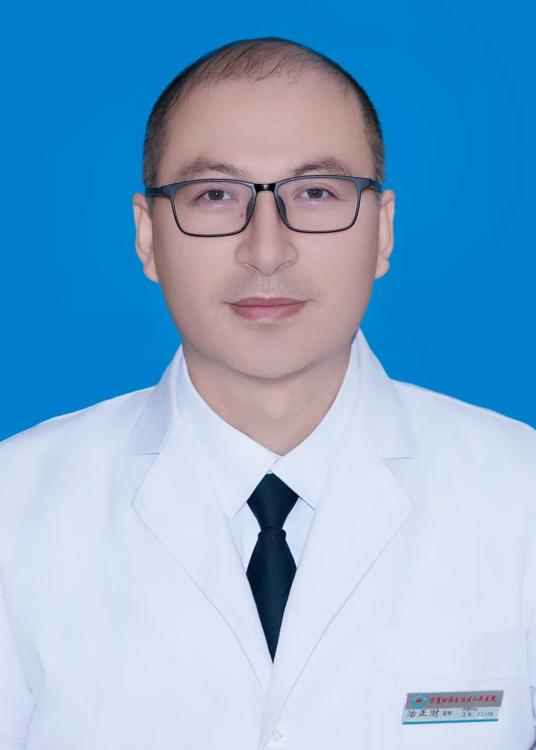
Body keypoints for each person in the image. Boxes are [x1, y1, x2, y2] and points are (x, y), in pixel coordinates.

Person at [0, 35, 535, 750]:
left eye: (315, 193)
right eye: (214, 195)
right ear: (148, 237)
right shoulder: (14, 507)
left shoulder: (521, 495)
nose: (266, 250)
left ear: (382, 230)